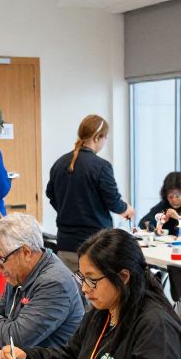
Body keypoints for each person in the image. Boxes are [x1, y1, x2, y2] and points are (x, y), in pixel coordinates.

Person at [0, 229, 181, 359]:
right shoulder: (102, 311)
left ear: (123, 276)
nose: (84, 289)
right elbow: (71, 356)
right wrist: (27, 358)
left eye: (92, 280)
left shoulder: (155, 324)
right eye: (82, 278)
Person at [0, 213, 84, 348]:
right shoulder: (18, 274)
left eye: (1, 260)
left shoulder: (55, 283)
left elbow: (16, 338)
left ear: (26, 253)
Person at [46, 114, 134, 271]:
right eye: (105, 138)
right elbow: (112, 201)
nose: (105, 142)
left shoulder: (59, 164)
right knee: (93, 294)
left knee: (72, 293)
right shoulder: (101, 166)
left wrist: (68, 210)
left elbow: (51, 195)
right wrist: (126, 209)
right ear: (97, 137)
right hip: (95, 246)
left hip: (65, 244)